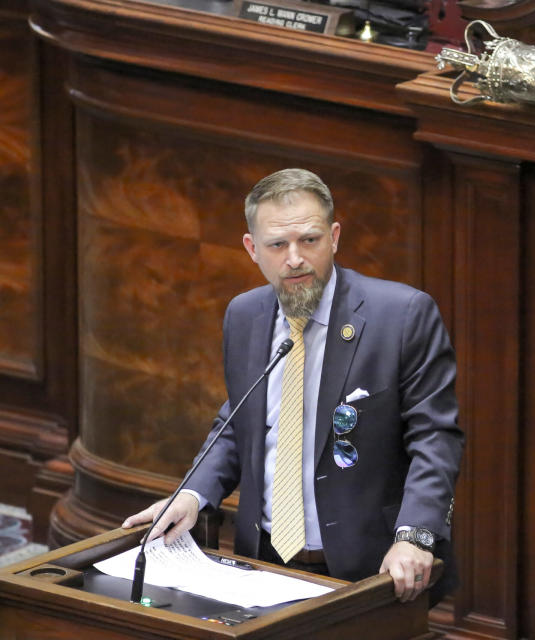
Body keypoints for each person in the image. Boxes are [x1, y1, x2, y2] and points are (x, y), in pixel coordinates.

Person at [123, 168, 463, 605]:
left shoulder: (401, 316)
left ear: (335, 236)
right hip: (263, 561)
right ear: (252, 249)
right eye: (278, 245)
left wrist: (416, 535)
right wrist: (193, 493)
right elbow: (238, 422)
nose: (295, 259)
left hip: (370, 566)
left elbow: (435, 436)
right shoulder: (243, 315)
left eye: (310, 240)